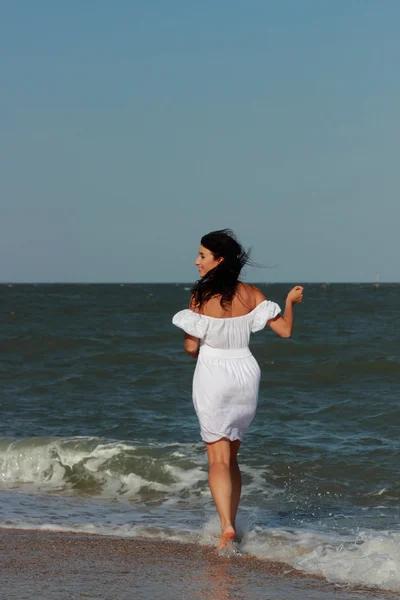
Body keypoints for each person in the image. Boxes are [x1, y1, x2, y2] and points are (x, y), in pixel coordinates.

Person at [172, 229, 303, 550]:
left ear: (219, 260)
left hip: (213, 371)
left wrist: (198, 344)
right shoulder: (252, 294)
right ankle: (232, 525)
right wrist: (289, 301)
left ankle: (227, 527)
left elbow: (191, 347)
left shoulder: (200, 298)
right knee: (231, 455)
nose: (196, 261)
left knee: (216, 458)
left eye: (202, 256)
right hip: (245, 372)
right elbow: (285, 331)